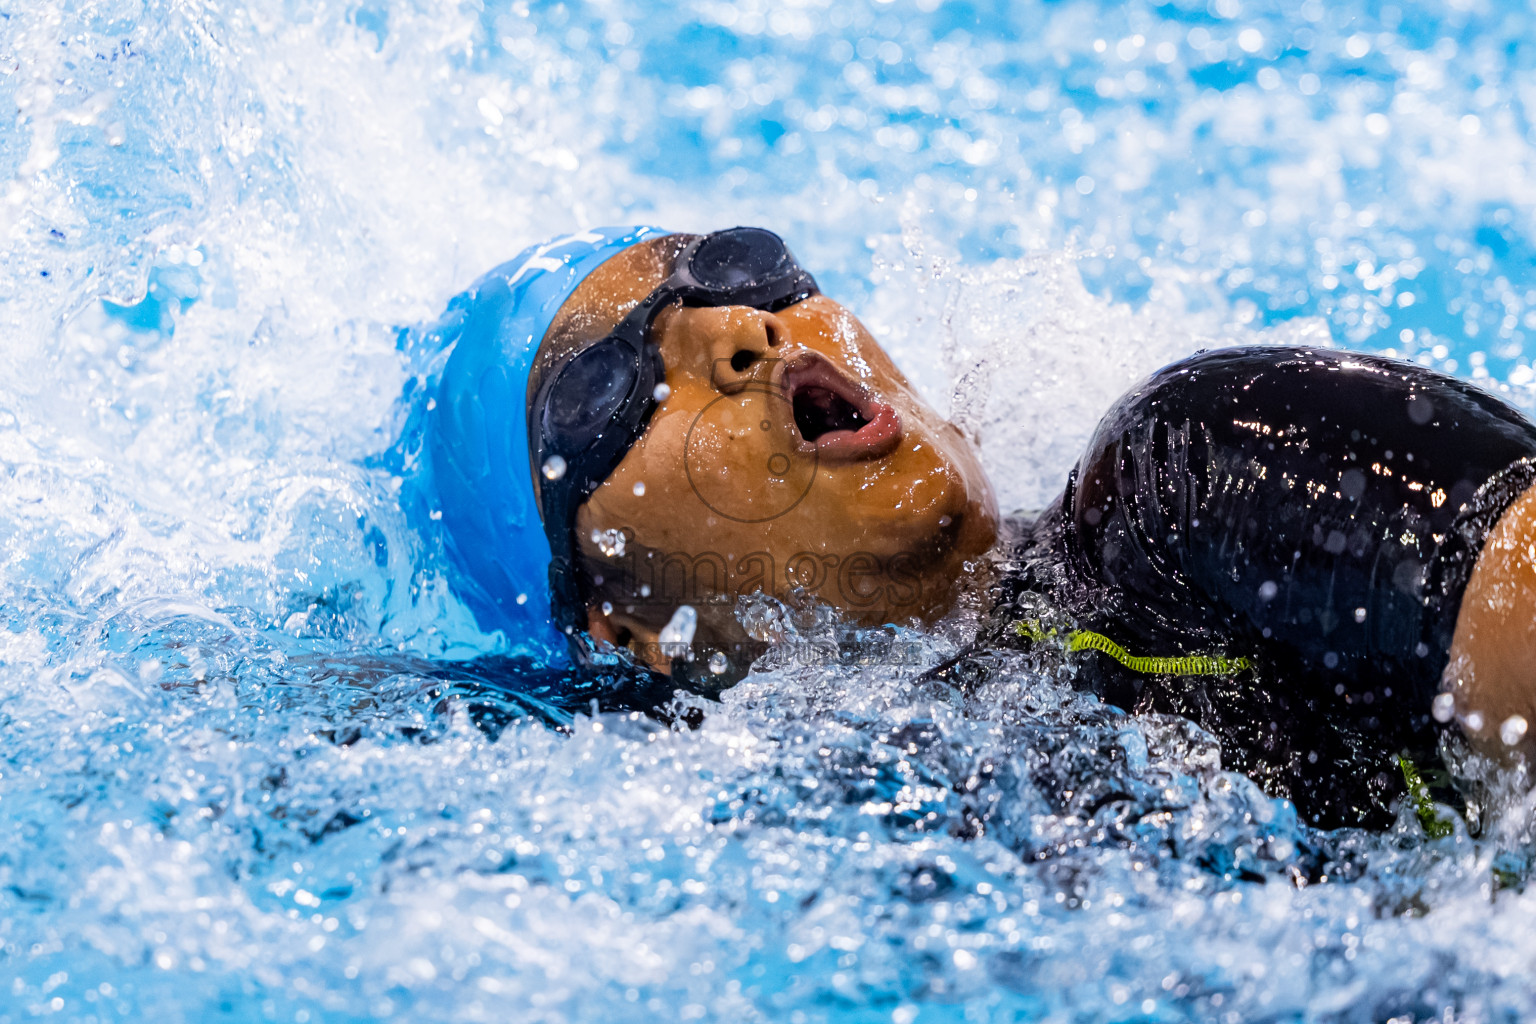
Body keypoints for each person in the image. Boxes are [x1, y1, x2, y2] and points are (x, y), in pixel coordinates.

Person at [405, 225, 1536, 829]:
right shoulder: (749, 838)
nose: (739, 325)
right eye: (611, 389)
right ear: (621, 629)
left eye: (732, 268)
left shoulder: (1195, 472)